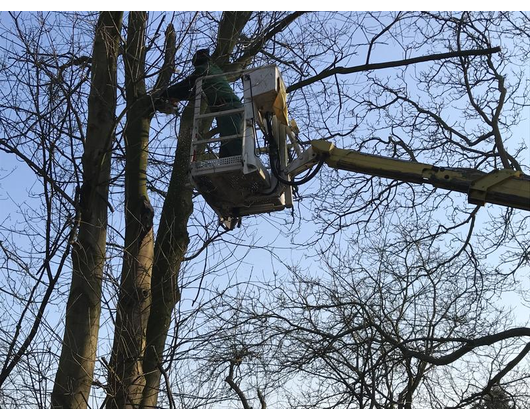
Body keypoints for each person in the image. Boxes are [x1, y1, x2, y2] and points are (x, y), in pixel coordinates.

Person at [162, 48, 243, 158]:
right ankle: (230, 173)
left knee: (233, 144)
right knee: (227, 148)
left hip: (228, 108)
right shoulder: (213, 71)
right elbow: (194, 92)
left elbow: (186, 84)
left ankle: (247, 168)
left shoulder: (203, 69)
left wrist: (165, 93)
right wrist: (177, 96)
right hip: (230, 108)